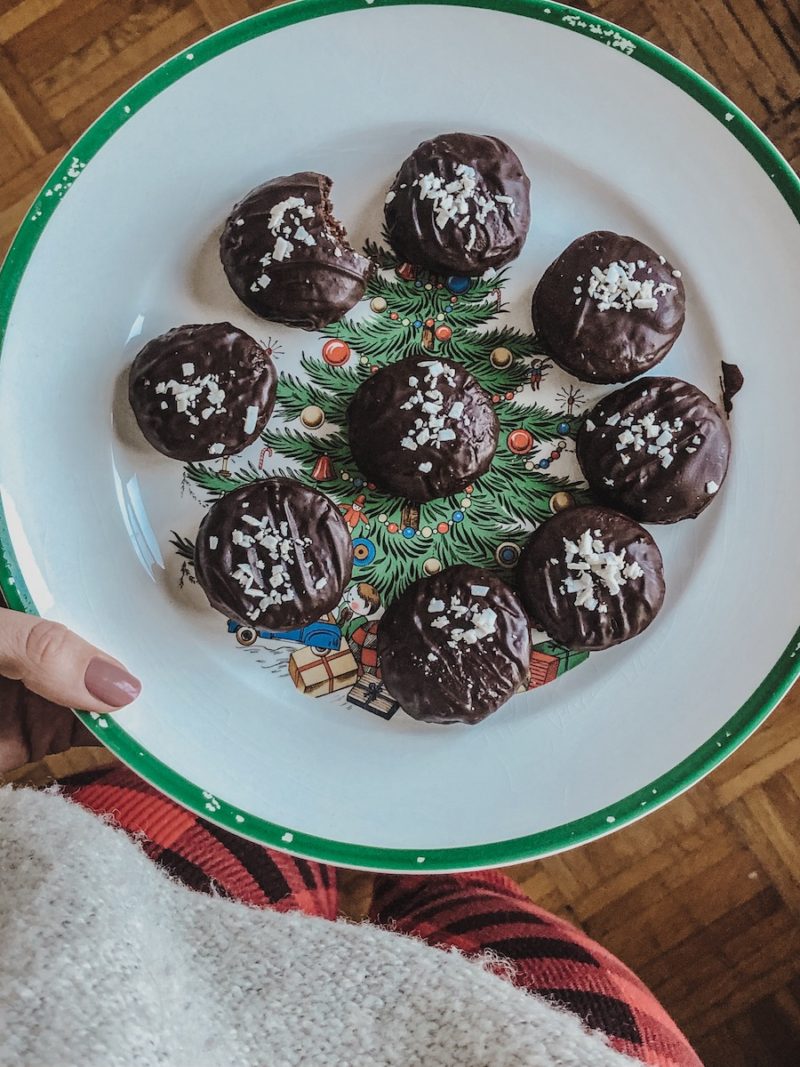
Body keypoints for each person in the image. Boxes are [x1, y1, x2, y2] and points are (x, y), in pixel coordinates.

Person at [0, 606, 702, 1067]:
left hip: (91, 922)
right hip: (525, 1040)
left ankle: (413, 840)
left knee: (244, 802)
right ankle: (436, 857)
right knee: (465, 880)